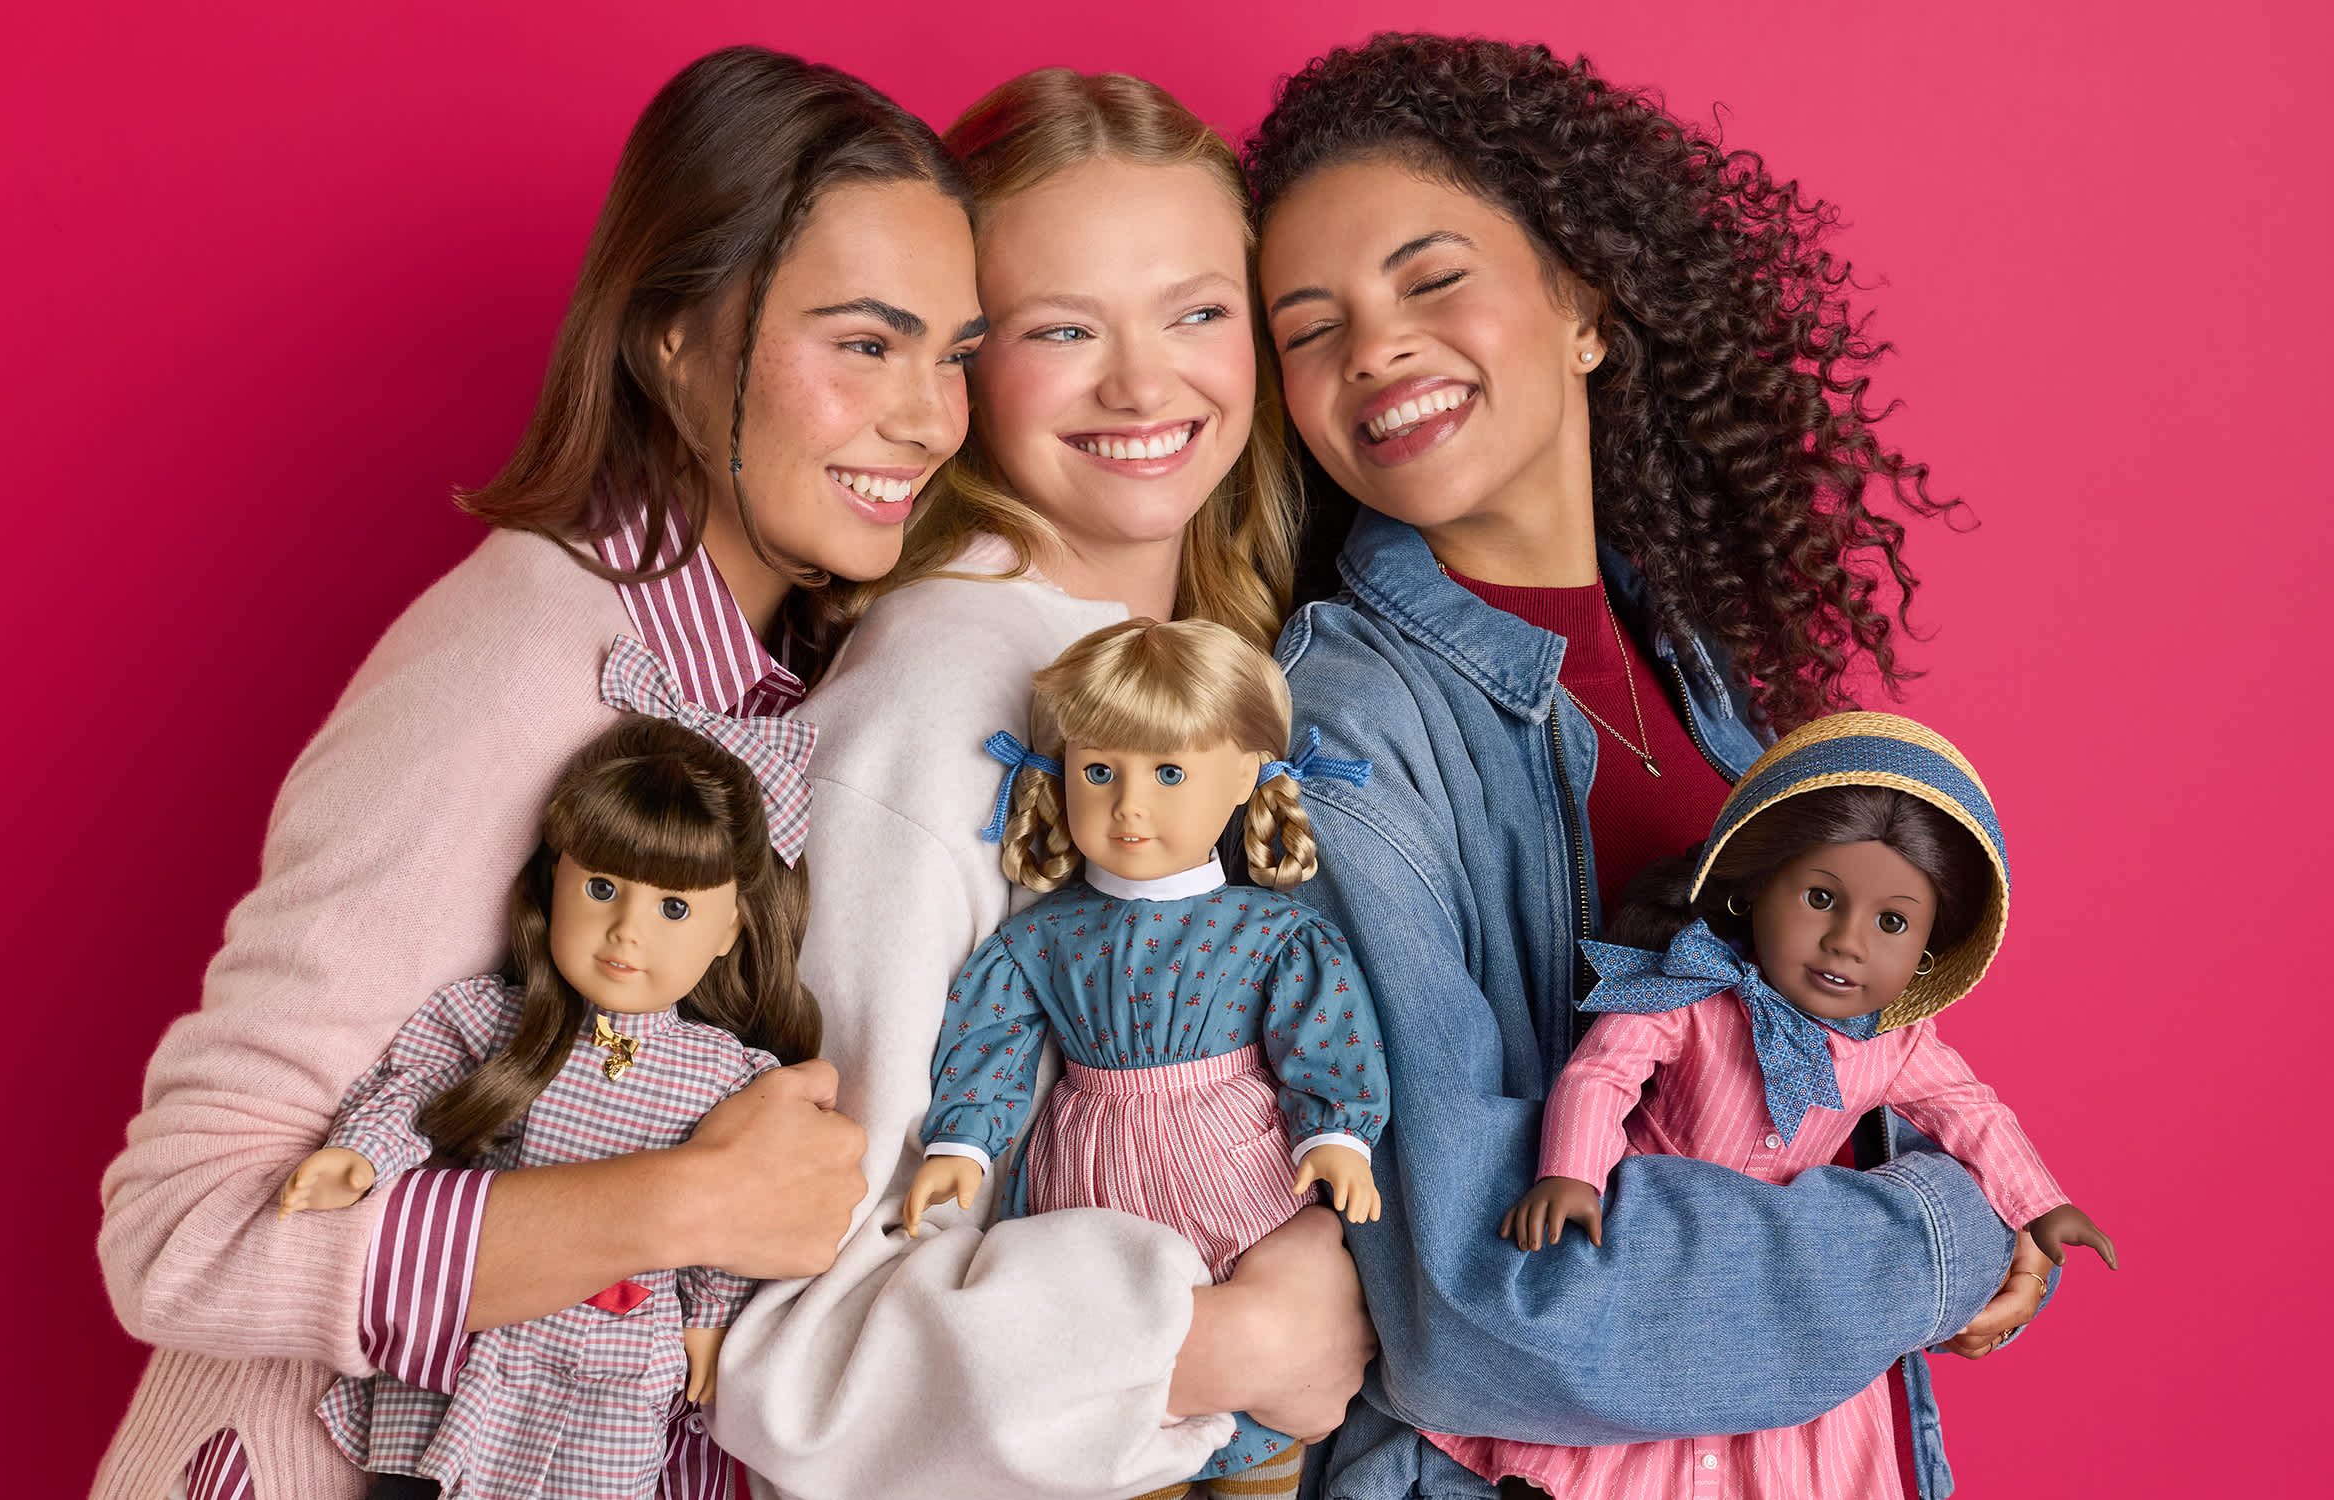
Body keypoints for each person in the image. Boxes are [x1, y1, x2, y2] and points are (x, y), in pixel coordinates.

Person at [93, 46, 981, 1500]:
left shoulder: (779, 671)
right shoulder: (525, 661)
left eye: (951, 353)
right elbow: (182, 1231)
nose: (933, 416)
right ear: (674, 339)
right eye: (865, 344)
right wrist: (687, 1202)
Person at [1243, 33, 2053, 1500]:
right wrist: (1935, 1240)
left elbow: (1808, 1095)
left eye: (1433, 281)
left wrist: (1967, 1198)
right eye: (1310, 327)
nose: (1374, 348)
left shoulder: (1689, 671)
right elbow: (1472, 1299)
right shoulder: (1343, 727)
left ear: (1587, 314)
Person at [703, 69, 1372, 1500]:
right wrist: (1226, 1344)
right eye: (1061, 329)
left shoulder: (1230, 658)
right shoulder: (942, 692)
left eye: (1196, 311)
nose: (1143, 383)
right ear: (957, 369)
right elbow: (800, 1337)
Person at [1429, 712, 2116, 1499]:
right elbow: (1601, 1077)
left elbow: (1972, 1113)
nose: (1847, 942)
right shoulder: (1689, 996)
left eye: (1891, 922)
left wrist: (2039, 1204)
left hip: (1796, 1309)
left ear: (1926, 949)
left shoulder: (1892, 1045)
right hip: (1657, 1268)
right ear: (1753, 888)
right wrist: (1570, 1174)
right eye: (1820, 898)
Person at [283, 686, 821, 1500]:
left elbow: (736, 1224)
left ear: (730, 931)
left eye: (674, 907)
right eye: (603, 889)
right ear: (554, 884)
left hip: (609, 1368)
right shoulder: (489, 1020)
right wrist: (363, 1154)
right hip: (478, 1345)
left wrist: (707, 1319)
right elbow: (412, 1088)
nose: (628, 932)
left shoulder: (731, 1077)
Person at [905, 617, 1391, 1498]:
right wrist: (962, 1144)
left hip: (1233, 1160)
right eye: (1100, 772)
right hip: (1092, 1167)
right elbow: (993, 1042)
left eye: (1168, 773)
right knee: (1117, 1377)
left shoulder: (1271, 929)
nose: (1129, 806)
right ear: (1062, 773)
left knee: (1259, 1369)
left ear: (1243, 775)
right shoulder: (1041, 938)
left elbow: (1323, 1036)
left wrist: (1338, 1137)